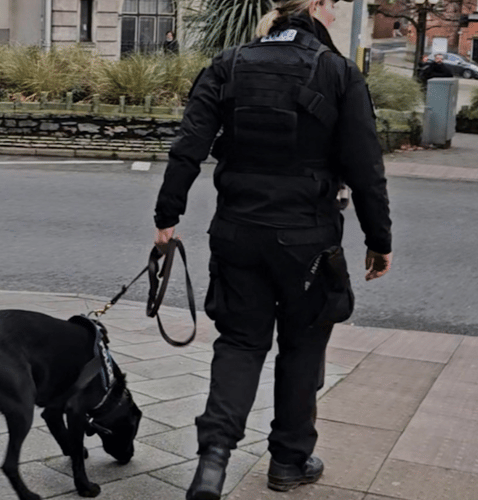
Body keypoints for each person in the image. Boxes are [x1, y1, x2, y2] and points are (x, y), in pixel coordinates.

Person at [152, 0, 392, 498]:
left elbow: (189, 144)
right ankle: (289, 461)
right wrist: (379, 240)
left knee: (240, 344)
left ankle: (212, 461)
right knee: (303, 346)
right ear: (318, 8)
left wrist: (167, 218)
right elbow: (365, 164)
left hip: (238, 231)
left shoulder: (229, 63)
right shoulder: (338, 72)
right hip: (308, 240)